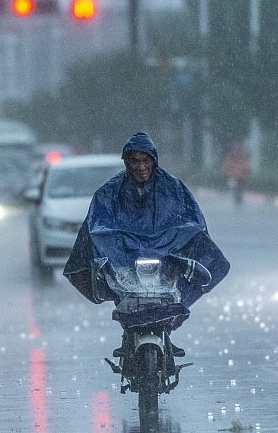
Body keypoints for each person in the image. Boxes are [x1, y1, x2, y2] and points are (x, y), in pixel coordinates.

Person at [63, 132, 230, 354]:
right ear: (127, 162)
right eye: (136, 161)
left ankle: (168, 326)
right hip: (126, 263)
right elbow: (97, 225)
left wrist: (177, 243)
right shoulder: (109, 192)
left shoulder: (173, 189)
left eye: (146, 160)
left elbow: (192, 222)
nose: (141, 167)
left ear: (154, 160)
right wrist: (114, 245)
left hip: (167, 262)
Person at [222, 141, 250, 205]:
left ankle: (239, 199)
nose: (236, 149)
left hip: (241, 177)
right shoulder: (229, 157)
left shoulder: (243, 157)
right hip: (232, 177)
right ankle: (236, 199)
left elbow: (246, 167)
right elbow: (226, 167)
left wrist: (245, 174)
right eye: (235, 148)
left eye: (238, 148)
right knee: (235, 188)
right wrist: (228, 174)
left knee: (240, 189)